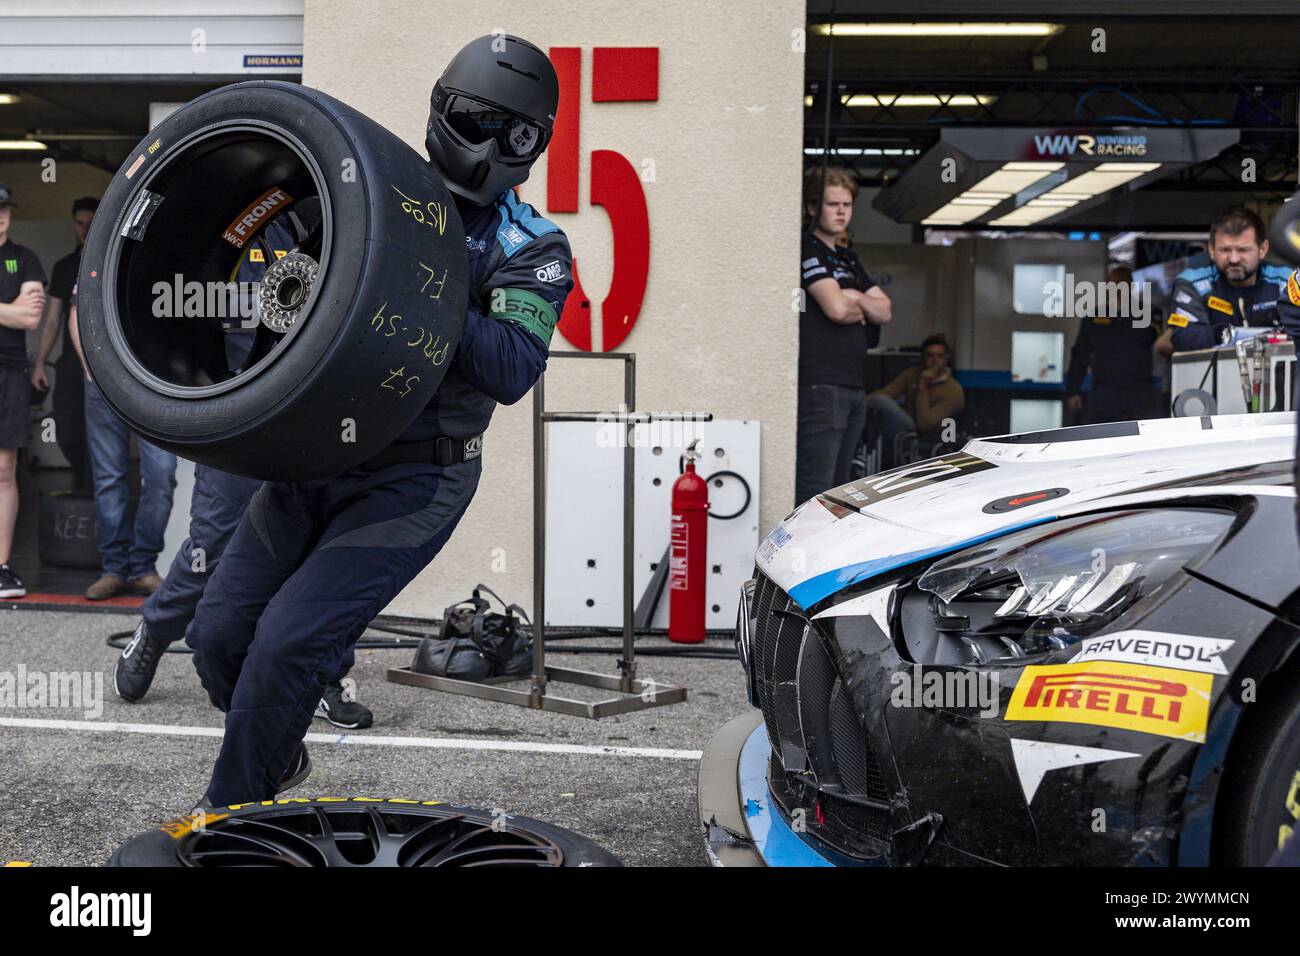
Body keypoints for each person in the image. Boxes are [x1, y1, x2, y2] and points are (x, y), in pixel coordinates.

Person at [183, 33, 573, 807]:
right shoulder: (360, 192)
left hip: (418, 475)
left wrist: (413, 277)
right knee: (218, 637)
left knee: (289, 644)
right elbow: (275, 317)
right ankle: (277, 754)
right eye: (479, 119)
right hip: (314, 456)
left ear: (537, 144)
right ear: (442, 110)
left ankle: (228, 816)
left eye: (517, 133)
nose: (494, 143)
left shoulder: (534, 246)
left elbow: (511, 369)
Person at [113, 220, 373, 730]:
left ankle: (326, 678)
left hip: (310, 413)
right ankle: (157, 627)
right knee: (212, 544)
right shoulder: (224, 227)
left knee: (327, 556)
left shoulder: (327, 220)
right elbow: (181, 313)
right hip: (234, 416)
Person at [67, 286, 178, 599]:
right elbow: (76, 312)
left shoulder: (169, 254)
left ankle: (143, 566)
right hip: (103, 379)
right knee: (108, 477)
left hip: (154, 382)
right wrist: (90, 368)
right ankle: (114, 569)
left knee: (162, 475)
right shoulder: (102, 249)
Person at [796, 166, 891, 505]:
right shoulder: (807, 249)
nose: (841, 212)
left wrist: (856, 298)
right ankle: (801, 558)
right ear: (811, 207)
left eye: (847, 205)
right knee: (815, 490)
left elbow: (885, 310)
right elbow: (836, 308)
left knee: (840, 491)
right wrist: (855, 302)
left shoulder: (847, 257)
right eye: (832, 204)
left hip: (853, 387)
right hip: (822, 387)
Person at [31, 197, 98, 494]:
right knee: (68, 432)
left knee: (101, 439)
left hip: (103, 365)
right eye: (80, 223)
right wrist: (39, 363)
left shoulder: (110, 263)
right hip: (71, 363)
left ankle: (92, 494)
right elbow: (53, 319)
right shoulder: (64, 267)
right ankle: (83, 484)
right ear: (74, 225)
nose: (85, 229)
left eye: (90, 222)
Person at [0, 182, 47, 599]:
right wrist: (7, 310)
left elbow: (30, 318)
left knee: (4, 469)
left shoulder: (24, 258)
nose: (0, 215)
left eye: (4, 208)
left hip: (10, 372)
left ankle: (1, 567)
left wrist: (15, 313)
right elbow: (15, 312)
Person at [1165, 207, 1292, 352]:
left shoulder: (1286, 280)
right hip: (1217, 373)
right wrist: (1224, 333)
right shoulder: (1192, 283)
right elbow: (1183, 336)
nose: (1234, 259)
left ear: (1262, 249)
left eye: (1243, 250)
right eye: (1225, 250)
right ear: (1211, 250)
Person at [1064, 266, 1161, 423]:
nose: (1115, 288)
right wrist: (1072, 391)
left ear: (1130, 286)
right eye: (1111, 283)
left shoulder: (1149, 315)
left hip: (1139, 393)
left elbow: (1159, 342)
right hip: (1103, 393)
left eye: (1120, 283)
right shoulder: (1094, 317)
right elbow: (1080, 355)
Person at [864, 334, 964, 471]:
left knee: (880, 402)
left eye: (939, 356)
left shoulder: (953, 390)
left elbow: (924, 424)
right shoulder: (912, 374)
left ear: (947, 358)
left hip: (926, 433)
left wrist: (922, 385)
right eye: (930, 356)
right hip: (903, 421)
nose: (934, 361)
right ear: (923, 357)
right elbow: (887, 392)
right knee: (881, 402)